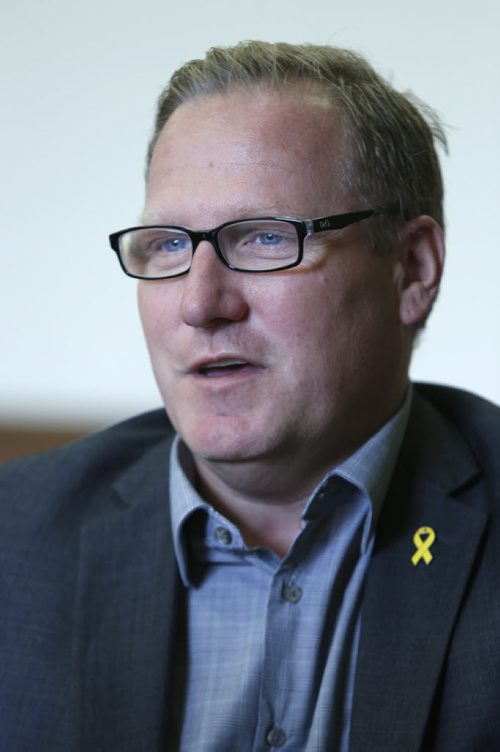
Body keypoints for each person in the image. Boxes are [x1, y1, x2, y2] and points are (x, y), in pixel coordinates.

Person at [1, 41, 499, 752]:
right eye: (169, 245)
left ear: (412, 269)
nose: (201, 304)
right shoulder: (12, 544)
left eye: (268, 237)